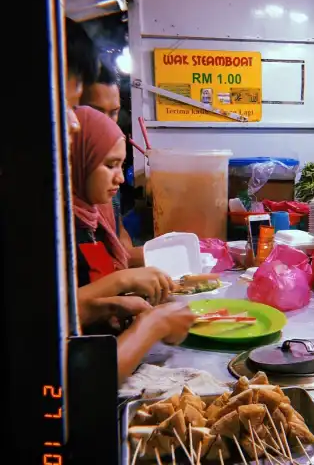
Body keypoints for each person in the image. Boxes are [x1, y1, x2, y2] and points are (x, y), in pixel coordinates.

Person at [65, 19, 196, 383]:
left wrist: (113, 297)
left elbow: (69, 307)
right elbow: (69, 376)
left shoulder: (89, 211)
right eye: (74, 106)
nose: (78, 124)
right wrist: (151, 324)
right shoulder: (46, 220)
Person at [80, 60, 144, 266]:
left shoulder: (108, 176)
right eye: (96, 111)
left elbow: (118, 232)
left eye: (114, 112)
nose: (108, 123)